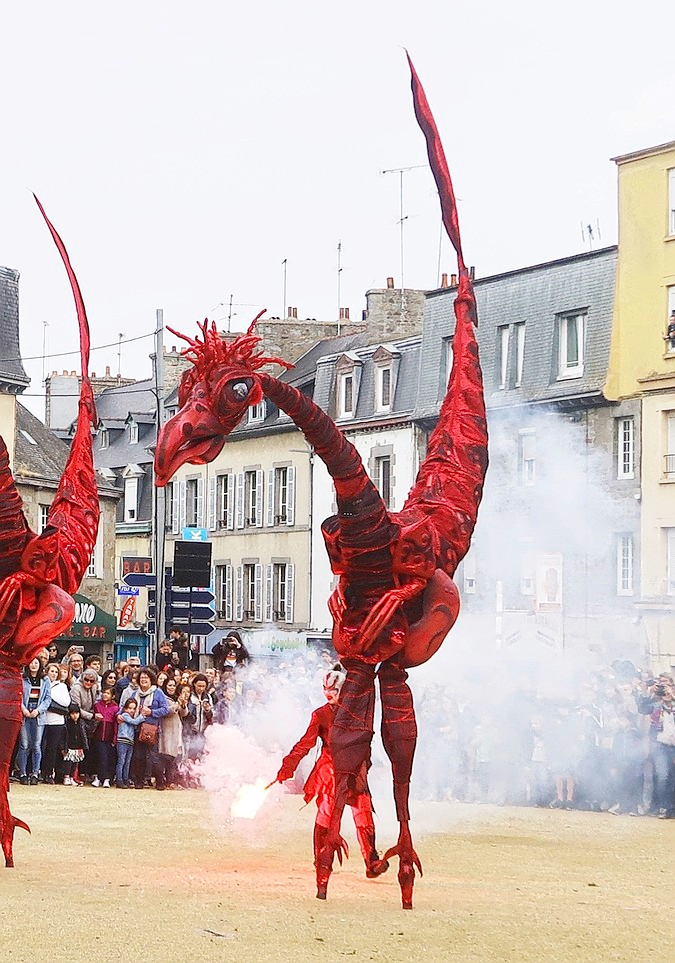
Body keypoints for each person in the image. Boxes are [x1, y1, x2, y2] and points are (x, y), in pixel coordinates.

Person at [274, 663, 388, 899]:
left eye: (334, 690)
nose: (329, 694)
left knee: (363, 812)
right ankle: (321, 862)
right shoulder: (321, 714)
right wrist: (288, 766)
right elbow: (305, 743)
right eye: (326, 689)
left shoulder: (356, 711)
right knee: (326, 813)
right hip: (329, 770)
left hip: (354, 769)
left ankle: (371, 859)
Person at [132, 668, 171, 789]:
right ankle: (139, 781)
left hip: (152, 729)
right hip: (138, 728)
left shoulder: (158, 693)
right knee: (139, 756)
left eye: (146, 678)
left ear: (151, 680)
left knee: (154, 757)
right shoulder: (135, 693)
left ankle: (160, 781)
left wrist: (151, 712)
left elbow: (165, 709)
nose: (143, 680)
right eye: (141, 678)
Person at [17, 659, 51, 785]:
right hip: (24, 713)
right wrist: (24, 710)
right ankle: (23, 773)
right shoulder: (22, 678)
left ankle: (36, 773)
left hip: (38, 714)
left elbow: (47, 698)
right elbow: (18, 695)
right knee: (24, 744)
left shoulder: (45, 680)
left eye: (36, 663)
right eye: (31, 662)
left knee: (37, 745)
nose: (34, 665)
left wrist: (38, 710)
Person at [41, 663, 71, 783]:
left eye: (55, 672)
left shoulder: (62, 686)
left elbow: (66, 702)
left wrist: (49, 693)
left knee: (52, 749)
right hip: (42, 720)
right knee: (39, 747)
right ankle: (38, 772)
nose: (53, 674)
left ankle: (49, 774)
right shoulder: (42, 683)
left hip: (56, 721)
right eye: (51, 671)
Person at [157, 677, 188, 789]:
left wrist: (183, 705)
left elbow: (184, 714)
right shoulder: (162, 697)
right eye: (169, 685)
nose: (172, 688)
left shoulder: (176, 698)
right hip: (165, 729)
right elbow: (165, 711)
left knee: (173, 758)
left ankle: (170, 781)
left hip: (176, 730)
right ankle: (160, 781)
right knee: (163, 757)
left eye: (174, 686)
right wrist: (177, 704)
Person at [91, 687, 118, 788]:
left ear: (112, 696)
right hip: (98, 735)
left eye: (107, 693)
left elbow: (115, 724)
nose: (105, 695)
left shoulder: (115, 708)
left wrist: (115, 737)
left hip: (109, 736)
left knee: (108, 757)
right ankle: (98, 777)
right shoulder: (97, 705)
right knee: (99, 757)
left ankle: (107, 778)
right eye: (104, 692)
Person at [115, 698, 143, 789]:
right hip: (122, 741)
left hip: (130, 742)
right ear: (125, 708)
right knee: (121, 761)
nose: (132, 710)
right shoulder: (125, 715)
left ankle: (125, 779)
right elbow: (134, 722)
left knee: (127, 762)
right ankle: (119, 780)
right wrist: (142, 716)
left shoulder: (130, 717)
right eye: (130, 708)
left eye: (134, 708)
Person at [185, 674, 214, 762]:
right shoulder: (190, 695)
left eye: (203, 686)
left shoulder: (208, 697)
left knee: (202, 755)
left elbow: (211, 716)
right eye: (199, 686)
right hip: (191, 730)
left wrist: (207, 710)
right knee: (190, 755)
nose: (201, 688)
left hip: (203, 730)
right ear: (194, 684)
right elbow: (186, 714)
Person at [62, 704, 88, 786]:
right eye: (72, 714)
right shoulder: (67, 724)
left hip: (78, 746)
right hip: (69, 747)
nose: (75, 715)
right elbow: (64, 737)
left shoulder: (81, 723)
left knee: (75, 763)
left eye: (76, 713)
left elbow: (84, 735)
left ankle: (72, 777)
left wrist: (84, 746)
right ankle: (66, 777)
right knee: (68, 763)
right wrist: (63, 748)